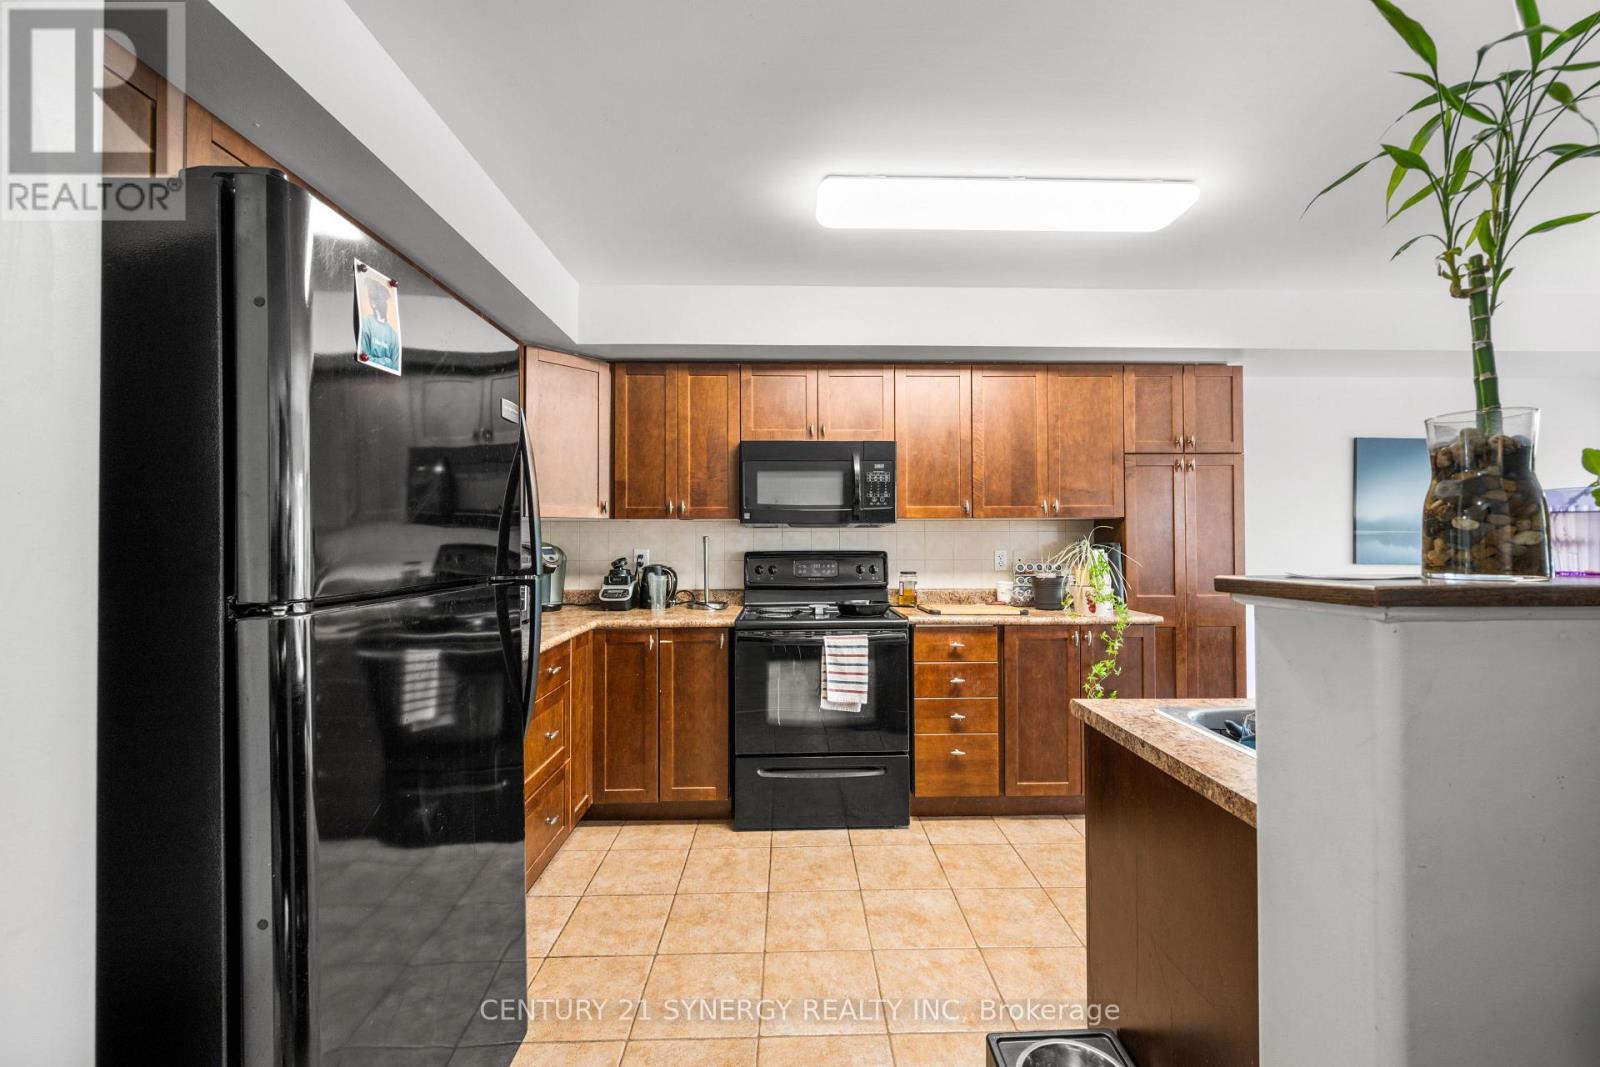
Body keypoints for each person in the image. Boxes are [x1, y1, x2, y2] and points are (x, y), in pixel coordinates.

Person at [358, 276, 400, 369]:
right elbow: (364, 357)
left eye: (378, 295)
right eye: (371, 295)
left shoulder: (393, 335)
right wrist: (386, 361)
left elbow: (395, 366)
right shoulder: (366, 323)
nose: (372, 297)